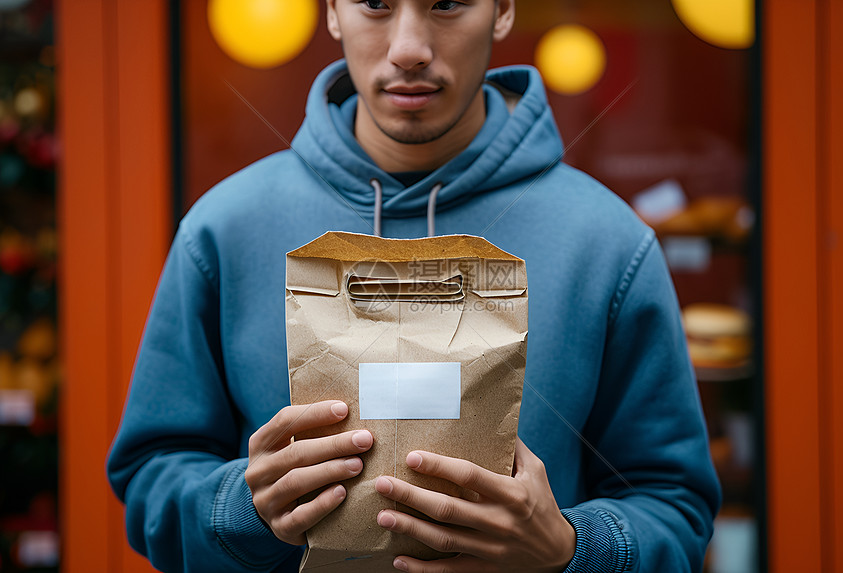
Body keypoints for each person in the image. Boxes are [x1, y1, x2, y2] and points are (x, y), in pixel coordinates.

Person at [107, 0, 721, 571]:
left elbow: (675, 504)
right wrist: (238, 509)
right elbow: (149, 475)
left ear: (504, 9)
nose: (408, 47)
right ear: (331, 11)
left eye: (448, 2)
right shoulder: (224, 228)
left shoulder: (607, 240)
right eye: (375, 2)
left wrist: (572, 549)